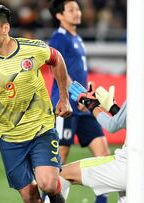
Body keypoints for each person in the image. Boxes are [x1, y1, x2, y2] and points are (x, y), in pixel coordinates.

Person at [0, 4, 72, 203]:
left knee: (47, 184)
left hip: (41, 128)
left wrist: (64, 98)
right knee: (30, 197)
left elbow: (57, 59)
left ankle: (57, 192)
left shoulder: (33, 49)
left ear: (5, 28)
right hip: (10, 137)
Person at [60, 47, 144, 202]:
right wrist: (113, 109)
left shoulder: (143, 92)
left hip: (128, 166)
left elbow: (112, 126)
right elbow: (139, 128)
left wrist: (90, 104)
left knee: (61, 174)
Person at [47, 1, 110, 202]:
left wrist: (85, 94)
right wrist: (78, 94)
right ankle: (49, 199)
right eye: (71, 10)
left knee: (103, 154)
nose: (77, 13)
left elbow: (78, 73)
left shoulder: (78, 39)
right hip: (64, 106)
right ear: (59, 15)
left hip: (83, 106)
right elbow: (59, 72)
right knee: (60, 157)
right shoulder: (58, 38)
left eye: (78, 9)